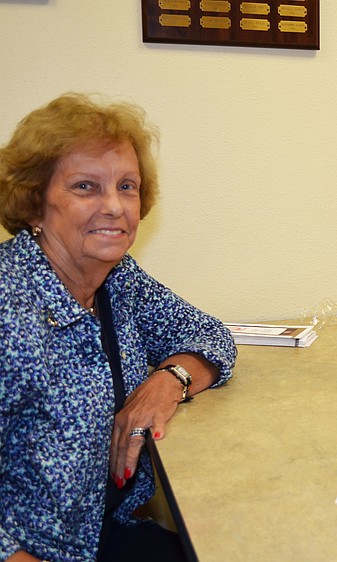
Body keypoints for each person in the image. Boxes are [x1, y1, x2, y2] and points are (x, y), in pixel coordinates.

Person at [0, 93, 237, 562]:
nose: (113, 206)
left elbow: (211, 336)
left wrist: (168, 382)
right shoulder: (9, 305)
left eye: (126, 186)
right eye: (86, 187)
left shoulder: (117, 278)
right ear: (33, 204)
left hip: (108, 533)